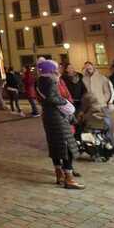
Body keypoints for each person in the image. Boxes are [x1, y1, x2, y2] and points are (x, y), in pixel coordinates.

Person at [36, 59, 84, 189]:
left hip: (49, 116)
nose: (58, 71)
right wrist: (65, 104)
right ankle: (69, 178)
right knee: (66, 145)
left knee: (55, 145)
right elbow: (53, 98)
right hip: (57, 116)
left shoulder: (41, 81)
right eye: (55, 69)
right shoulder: (50, 81)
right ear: (51, 70)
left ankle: (59, 174)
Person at [81, 61, 114, 132]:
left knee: (106, 124)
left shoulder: (102, 77)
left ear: (93, 67)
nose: (88, 68)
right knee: (94, 125)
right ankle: (99, 140)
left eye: (89, 66)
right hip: (91, 106)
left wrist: (103, 101)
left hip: (102, 105)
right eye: (86, 67)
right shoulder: (83, 79)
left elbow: (107, 92)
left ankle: (107, 139)